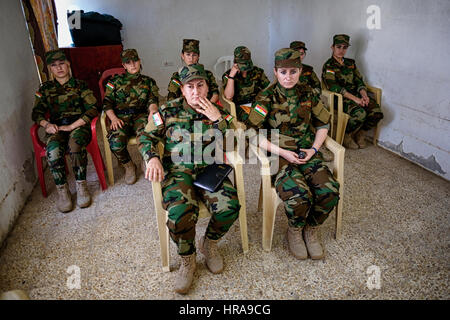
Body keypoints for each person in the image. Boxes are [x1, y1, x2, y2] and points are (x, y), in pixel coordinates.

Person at [140, 64, 240, 294]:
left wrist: (218, 120)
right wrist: (152, 157)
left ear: (207, 87)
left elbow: (234, 143)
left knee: (230, 208)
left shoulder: (218, 111)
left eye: (200, 85)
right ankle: (188, 259)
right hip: (177, 171)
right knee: (179, 215)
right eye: (190, 87)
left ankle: (210, 244)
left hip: (208, 169)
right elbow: (145, 135)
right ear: (182, 90)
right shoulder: (166, 111)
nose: (196, 92)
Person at [245, 48, 340, 260]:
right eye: (284, 72)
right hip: (279, 155)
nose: (288, 77)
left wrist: (314, 149)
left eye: (293, 72)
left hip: (306, 152)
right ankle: (294, 231)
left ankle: (311, 228)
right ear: (275, 72)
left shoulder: (308, 93)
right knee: (300, 195)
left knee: (330, 191)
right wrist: (282, 153)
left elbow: (323, 122)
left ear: (300, 71)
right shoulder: (266, 96)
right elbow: (250, 132)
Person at [31, 49, 98, 213]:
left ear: (68, 65)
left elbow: (93, 109)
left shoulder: (80, 85)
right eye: (54, 65)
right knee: (53, 150)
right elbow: (36, 113)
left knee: (75, 146)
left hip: (79, 125)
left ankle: (81, 186)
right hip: (56, 127)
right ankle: (63, 190)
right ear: (50, 69)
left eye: (62, 63)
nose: (59, 68)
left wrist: (72, 126)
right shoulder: (45, 89)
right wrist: (46, 124)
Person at [103, 49, 159, 184]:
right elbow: (107, 103)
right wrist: (113, 118)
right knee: (115, 142)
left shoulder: (149, 81)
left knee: (147, 134)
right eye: (128, 62)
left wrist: (152, 111)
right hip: (121, 118)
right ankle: (128, 166)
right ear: (124, 65)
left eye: (135, 61)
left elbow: (153, 101)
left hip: (141, 116)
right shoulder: (114, 82)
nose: (132, 65)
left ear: (140, 62)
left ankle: (145, 159)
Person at [322, 34, 383, 149]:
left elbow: (359, 80)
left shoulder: (351, 64)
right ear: (332, 47)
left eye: (344, 47)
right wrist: (356, 99)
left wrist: (364, 96)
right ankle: (347, 135)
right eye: (338, 47)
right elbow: (334, 87)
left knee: (376, 112)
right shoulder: (329, 66)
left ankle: (361, 133)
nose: (341, 50)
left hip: (357, 96)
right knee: (360, 113)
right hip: (339, 99)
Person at [290, 40, 334, 162]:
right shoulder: (286, 70)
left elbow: (317, 87)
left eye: (302, 53)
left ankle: (320, 145)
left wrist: (309, 95)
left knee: (320, 112)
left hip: (309, 100)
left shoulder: (309, 70)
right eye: (296, 53)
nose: (299, 56)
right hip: (292, 102)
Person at [222, 46, 270, 122]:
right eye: (242, 64)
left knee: (268, 117)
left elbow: (268, 89)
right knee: (252, 119)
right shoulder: (228, 75)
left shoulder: (258, 72)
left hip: (257, 104)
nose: (245, 69)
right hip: (239, 106)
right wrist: (231, 77)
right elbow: (228, 97)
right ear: (236, 63)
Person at [167, 39, 219, 103]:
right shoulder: (177, 76)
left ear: (198, 56)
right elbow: (171, 98)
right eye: (188, 54)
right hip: (184, 109)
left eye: (194, 55)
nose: (191, 58)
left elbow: (215, 94)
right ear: (183, 56)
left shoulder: (207, 74)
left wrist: (208, 107)